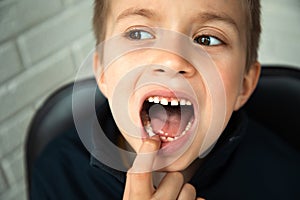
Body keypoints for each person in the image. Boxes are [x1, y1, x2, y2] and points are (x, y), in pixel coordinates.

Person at [30, 0, 300, 199]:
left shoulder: (287, 179)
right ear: (103, 72)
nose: (171, 60)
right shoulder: (58, 174)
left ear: (243, 85)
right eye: (139, 34)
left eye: (207, 39)